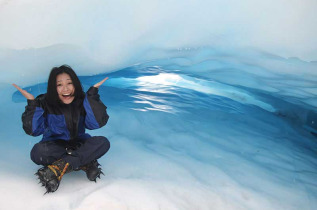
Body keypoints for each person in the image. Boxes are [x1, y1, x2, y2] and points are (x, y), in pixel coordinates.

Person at [12, 65, 110, 194]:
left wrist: (92, 96)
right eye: (59, 85)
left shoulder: (82, 101)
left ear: (75, 84)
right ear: (53, 87)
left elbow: (96, 123)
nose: (65, 88)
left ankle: (59, 167)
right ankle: (84, 162)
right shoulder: (44, 102)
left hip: (79, 143)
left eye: (69, 83)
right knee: (38, 152)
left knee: (103, 142)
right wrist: (32, 103)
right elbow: (33, 131)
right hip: (55, 146)